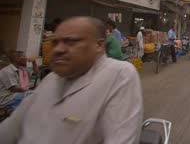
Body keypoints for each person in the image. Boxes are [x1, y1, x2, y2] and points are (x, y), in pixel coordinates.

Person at [0, 17, 143, 143]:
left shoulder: (119, 75)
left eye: (71, 41)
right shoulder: (51, 79)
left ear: (99, 45)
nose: (58, 49)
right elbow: (10, 128)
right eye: (55, 43)